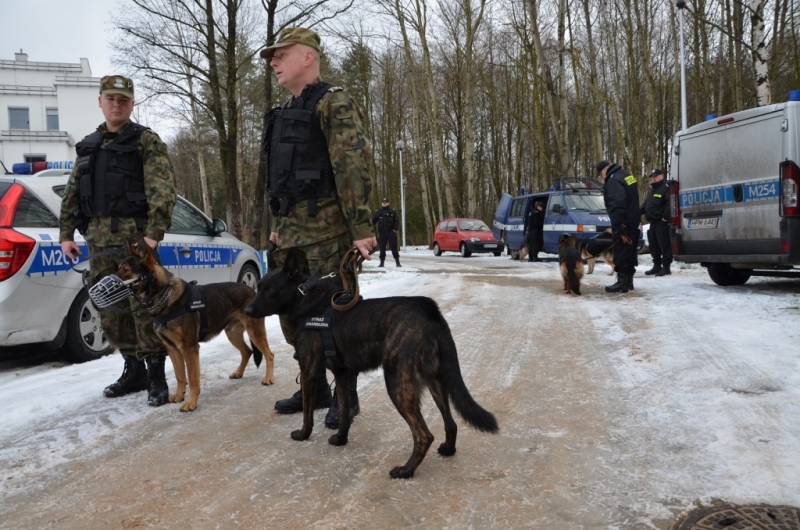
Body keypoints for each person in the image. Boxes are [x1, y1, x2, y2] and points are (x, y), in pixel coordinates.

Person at [261, 27, 378, 429]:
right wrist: (278, 226)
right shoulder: (284, 113)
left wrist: (361, 227)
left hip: (327, 235)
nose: (273, 62)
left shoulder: (333, 103)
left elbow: (353, 167)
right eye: (271, 58)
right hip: (291, 236)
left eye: (280, 55)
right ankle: (316, 387)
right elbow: (282, 178)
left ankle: (347, 397)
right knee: (294, 322)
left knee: (335, 321)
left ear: (307, 57)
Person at [59, 75, 177, 406]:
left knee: (145, 307)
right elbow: (72, 193)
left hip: (136, 242)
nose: (116, 104)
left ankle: (156, 377)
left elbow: (163, 190)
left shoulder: (145, 141)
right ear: (100, 101)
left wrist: (153, 236)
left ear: (131, 104)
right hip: (98, 242)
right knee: (108, 306)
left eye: (123, 100)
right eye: (110, 98)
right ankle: (133, 369)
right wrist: (66, 234)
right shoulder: (88, 145)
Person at [596, 160, 640, 293]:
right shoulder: (627, 175)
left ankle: (622, 283)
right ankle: (629, 282)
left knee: (621, 252)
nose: (601, 177)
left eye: (600, 174)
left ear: (604, 170)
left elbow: (617, 203)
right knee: (630, 253)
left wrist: (618, 224)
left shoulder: (614, 180)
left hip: (624, 223)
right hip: (633, 221)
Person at [641, 169, 672, 276]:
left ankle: (666, 267)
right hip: (653, 221)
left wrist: (665, 216)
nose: (654, 178)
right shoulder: (654, 189)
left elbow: (670, 202)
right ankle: (657, 266)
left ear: (662, 175)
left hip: (661, 221)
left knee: (664, 244)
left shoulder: (666, 187)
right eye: (652, 176)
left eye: (656, 176)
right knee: (653, 244)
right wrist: (635, 213)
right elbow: (646, 205)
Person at [371, 197, 401, 267]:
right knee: (382, 248)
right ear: (381, 203)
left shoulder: (392, 211)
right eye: (383, 202)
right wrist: (373, 230)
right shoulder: (378, 212)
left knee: (394, 247)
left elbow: (397, 221)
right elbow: (373, 222)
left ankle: (397, 262)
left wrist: (395, 229)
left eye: (386, 202)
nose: (384, 204)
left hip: (391, 232)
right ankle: (381, 263)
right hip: (382, 233)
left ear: (388, 203)